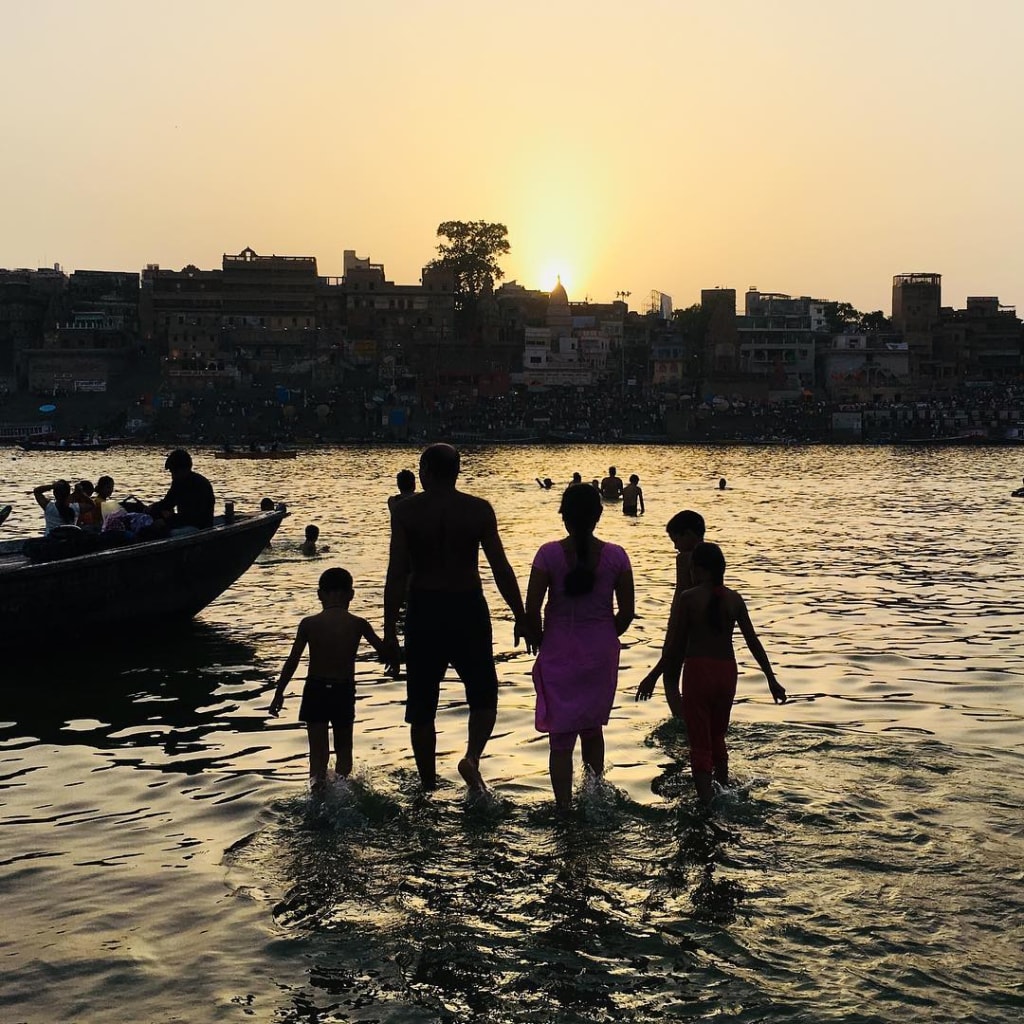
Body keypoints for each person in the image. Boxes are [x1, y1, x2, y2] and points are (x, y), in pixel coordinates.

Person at [383, 443, 534, 794]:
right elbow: (500, 567)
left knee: (422, 705)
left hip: (424, 609)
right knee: (484, 697)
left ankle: (426, 784)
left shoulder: (406, 512)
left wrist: (389, 632)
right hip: (467, 606)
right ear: (457, 472)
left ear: (425, 473)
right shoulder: (478, 510)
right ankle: (472, 757)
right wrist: (522, 615)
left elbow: (395, 573)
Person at [525, 484, 634, 809]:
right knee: (592, 730)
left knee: (560, 739)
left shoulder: (548, 555)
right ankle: (593, 797)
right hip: (600, 654)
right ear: (599, 515)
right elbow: (626, 613)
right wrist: (604, 636)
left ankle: (563, 809)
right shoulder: (616, 556)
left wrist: (544, 640)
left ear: (563, 517)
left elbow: (531, 610)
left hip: (558, 653)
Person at [661, 542, 786, 806]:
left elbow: (676, 646)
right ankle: (723, 788)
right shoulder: (735, 599)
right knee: (718, 735)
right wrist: (771, 679)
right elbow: (753, 641)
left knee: (699, 741)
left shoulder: (689, 598)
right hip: (727, 674)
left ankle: (707, 804)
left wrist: (653, 676)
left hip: (698, 671)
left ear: (699, 570)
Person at [268, 567, 391, 787]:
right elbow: (384, 652)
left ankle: (317, 798)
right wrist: (395, 655)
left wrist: (279, 692)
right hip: (343, 691)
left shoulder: (308, 623)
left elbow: (293, 660)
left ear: (319, 594)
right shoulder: (358, 623)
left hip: (315, 689)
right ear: (351, 595)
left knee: (318, 756)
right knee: (344, 753)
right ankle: (342, 791)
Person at [635, 510, 706, 701]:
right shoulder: (712, 556)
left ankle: (681, 722)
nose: (675, 547)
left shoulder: (685, 558)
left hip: (684, 624)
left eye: (676, 540)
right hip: (707, 632)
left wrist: (673, 624)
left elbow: (681, 593)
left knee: (670, 678)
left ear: (689, 534)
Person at [148, 449, 215, 533]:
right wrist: (152, 508)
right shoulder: (178, 482)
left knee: (162, 532)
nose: (172, 476)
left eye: (174, 472)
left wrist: (167, 520)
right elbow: (167, 503)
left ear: (184, 469)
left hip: (198, 527)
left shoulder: (200, 485)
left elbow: (194, 518)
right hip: (182, 522)